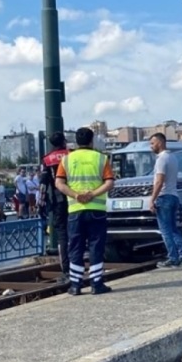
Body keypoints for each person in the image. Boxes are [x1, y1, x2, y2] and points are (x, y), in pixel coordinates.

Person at [55, 127, 115, 296]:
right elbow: (109, 182)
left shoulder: (66, 160)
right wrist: (92, 194)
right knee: (96, 245)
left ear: (76, 141)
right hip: (96, 209)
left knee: (75, 247)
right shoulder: (101, 158)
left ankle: (75, 285)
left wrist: (76, 195)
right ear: (91, 140)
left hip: (75, 210)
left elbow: (59, 183)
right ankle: (97, 284)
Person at [149, 133, 182, 268]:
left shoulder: (161, 159)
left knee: (165, 230)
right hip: (174, 196)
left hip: (164, 196)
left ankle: (173, 258)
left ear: (160, 143)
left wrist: (152, 199)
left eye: (152, 143)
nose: (151, 146)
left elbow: (159, 181)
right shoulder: (173, 157)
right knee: (173, 229)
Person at [40, 131, 71, 279]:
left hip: (57, 200)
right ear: (64, 141)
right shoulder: (71, 154)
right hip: (74, 196)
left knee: (62, 234)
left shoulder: (47, 159)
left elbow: (43, 183)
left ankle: (66, 268)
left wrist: (41, 203)